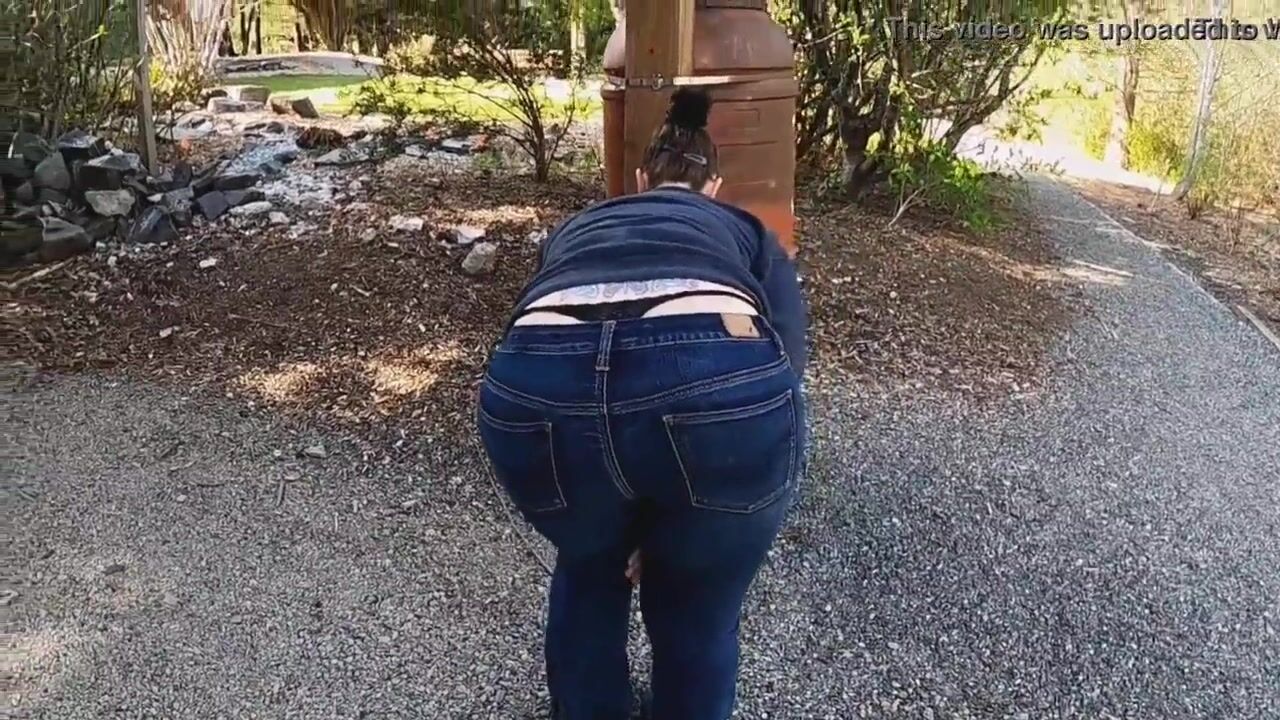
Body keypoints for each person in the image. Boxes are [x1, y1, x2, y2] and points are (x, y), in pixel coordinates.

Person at [475, 87, 808, 720]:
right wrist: (686, 527)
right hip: (716, 383)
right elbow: (788, 356)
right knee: (699, 603)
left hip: (535, 386)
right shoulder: (745, 229)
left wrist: (617, 520)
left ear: (637, 181)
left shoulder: (578, 226)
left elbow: (537, 316)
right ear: (715, 188)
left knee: (586, 559)